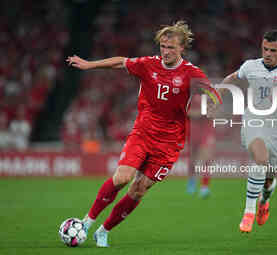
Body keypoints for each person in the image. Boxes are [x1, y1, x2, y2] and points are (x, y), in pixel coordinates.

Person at [66, 20, 221, 247]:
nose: (165, 51)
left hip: (169, 144)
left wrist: (210, 106)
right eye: (163, 47)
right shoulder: (148, 64)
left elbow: (215, 96)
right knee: (122, 178)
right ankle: (86, 223)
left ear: (181, 49)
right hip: (143, 133)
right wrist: (89, 65)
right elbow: (121, 62)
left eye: (171, 47)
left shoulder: (192, 73)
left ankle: (103, 230)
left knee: (138, 190)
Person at [216, 30, 277, 233]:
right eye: (265, 49)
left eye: (273, 50)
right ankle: (248, 212)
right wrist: (217, 96)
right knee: (260, 158)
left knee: (269, 178)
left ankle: (264, 201)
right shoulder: (251, 66)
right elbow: (231, 78)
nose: (267, 53)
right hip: (254, 119)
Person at [186, 94, 215, 198]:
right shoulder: (189, 97)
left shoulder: (210, 96)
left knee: (206, 159)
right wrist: (200, 113)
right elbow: (186, 112)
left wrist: (207, 112)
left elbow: (213, 113)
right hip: (192, 131)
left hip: (206, 131)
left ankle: (204, 187)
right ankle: (192, 181)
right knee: (193, 159)